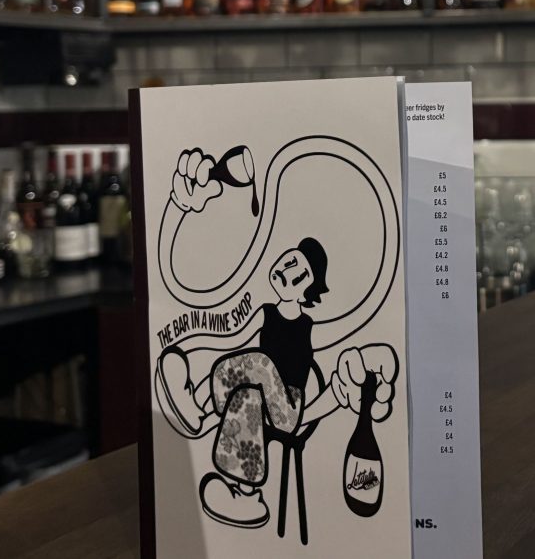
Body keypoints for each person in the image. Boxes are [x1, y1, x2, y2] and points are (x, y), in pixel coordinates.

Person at [154, 146, 399, 529]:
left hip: (289, 408)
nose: (288, 270)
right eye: (289, 261)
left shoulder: (311, 326)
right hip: (256, 394)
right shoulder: (264, 312)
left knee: (262, 365)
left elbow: (352, 336)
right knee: (248, 392)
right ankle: (242, 491)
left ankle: (198, 413)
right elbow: (227, 340)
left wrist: (373, 362)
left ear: (307, 292)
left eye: (300, 273)